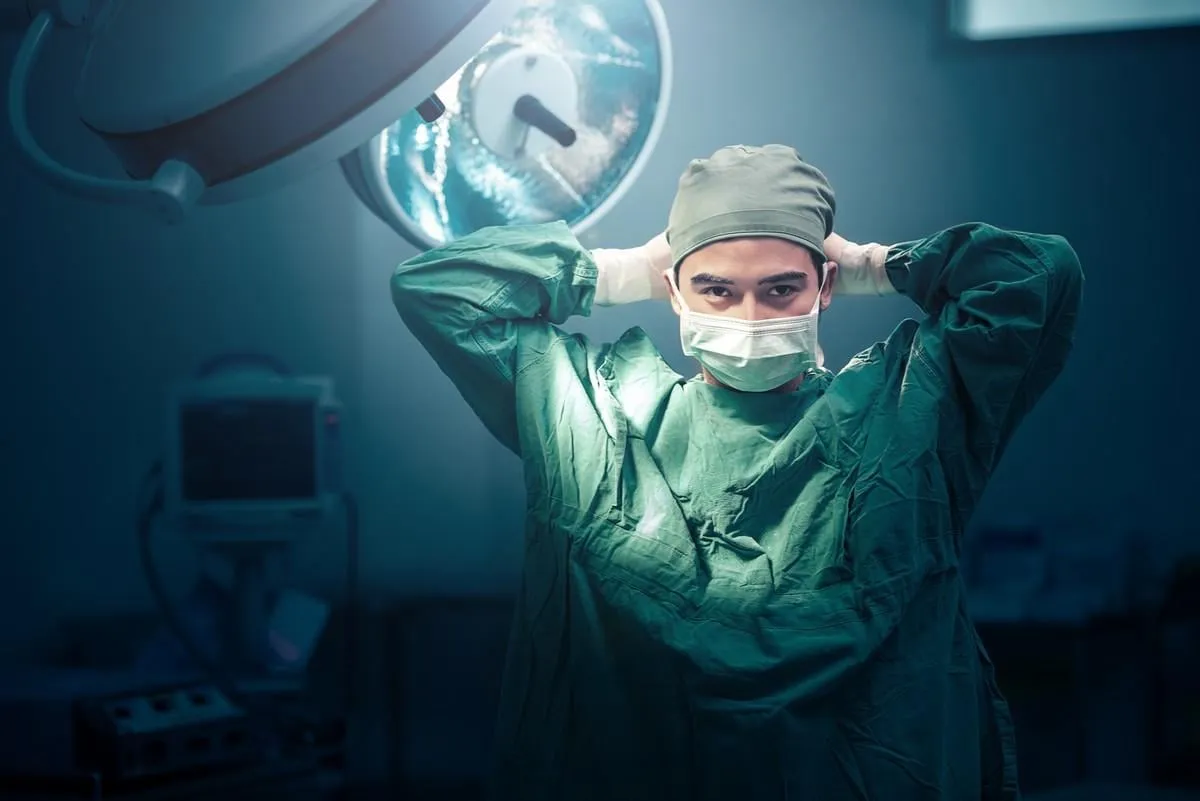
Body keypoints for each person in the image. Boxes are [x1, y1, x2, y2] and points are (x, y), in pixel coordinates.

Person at [391, 144, 1084, 801]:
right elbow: (437, 289)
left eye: (781, 289)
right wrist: (623, 269)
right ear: (674, 291)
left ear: (826, 286)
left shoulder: (905, 418)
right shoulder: (594, 417)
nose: (749, 316)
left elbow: (1036, 273)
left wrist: (875, 261)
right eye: (716, 290)